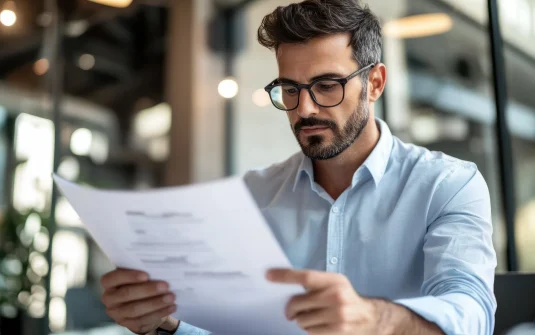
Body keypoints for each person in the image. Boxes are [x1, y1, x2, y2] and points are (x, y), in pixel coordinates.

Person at [99, 0, 497, 334]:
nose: (304, 109)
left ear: (374, 83)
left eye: (327, 85)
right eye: (290, 89)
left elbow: (472, 313)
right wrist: (165, 323)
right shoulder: (253, 195)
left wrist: (374, 319)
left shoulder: (448, 184)